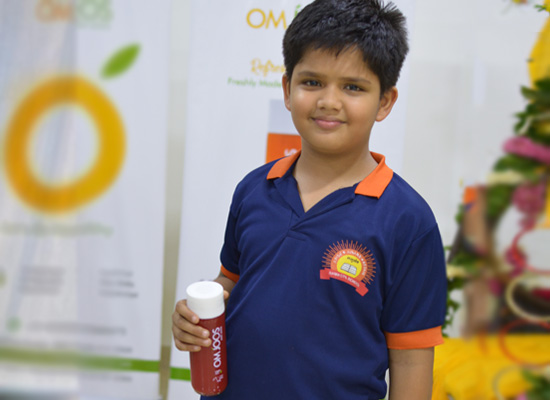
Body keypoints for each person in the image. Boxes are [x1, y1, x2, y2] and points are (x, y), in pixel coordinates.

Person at [172, 0, 447, 398]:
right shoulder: (254, 189)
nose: (328, 101)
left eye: (353, 87)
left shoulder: (408, 221)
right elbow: (229, 283)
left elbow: (410, 360)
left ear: (385, 101)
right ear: (287, 89)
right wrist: (194, 318)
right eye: (312, 82)